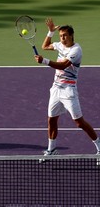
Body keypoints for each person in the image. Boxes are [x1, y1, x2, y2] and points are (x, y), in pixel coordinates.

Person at [34, 18, 100, 157]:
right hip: (56, 89)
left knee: (79, 122)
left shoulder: (76, 50)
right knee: (51, 119)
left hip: (69, 91)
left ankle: (99, 147)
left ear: (71, 35)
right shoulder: (60, 45)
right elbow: (45, 46)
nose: (62, 38)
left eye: (65, 35)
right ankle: (51, 150)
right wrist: (50, 32)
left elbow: (63, 65)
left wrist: (44, 61)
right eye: (60, 36)